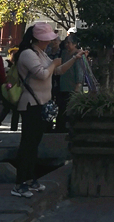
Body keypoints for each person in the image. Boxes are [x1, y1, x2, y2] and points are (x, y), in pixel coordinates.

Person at [13, 23, 84, 198]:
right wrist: (53, 63)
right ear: (38, 39)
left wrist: (74, 59)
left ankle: (30, 178)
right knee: (28, 144)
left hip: (42, 104)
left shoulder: (41, 53)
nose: (49, 42)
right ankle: (20, 182)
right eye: (46, 39)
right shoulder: (28, 54)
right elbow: (43, 74)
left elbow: (57, 71)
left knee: (35, 144)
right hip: (31, 104)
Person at [55, 33, 84, 133]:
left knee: (71, 110)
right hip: (62, 86)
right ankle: (61, 128)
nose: (67, 45)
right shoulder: (64, 53)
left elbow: (80, 72)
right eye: (66, 43)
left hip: (72, 87)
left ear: (75, 44)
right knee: (62, 109)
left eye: (69, 43)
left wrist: (78, 86)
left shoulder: (78, 55)